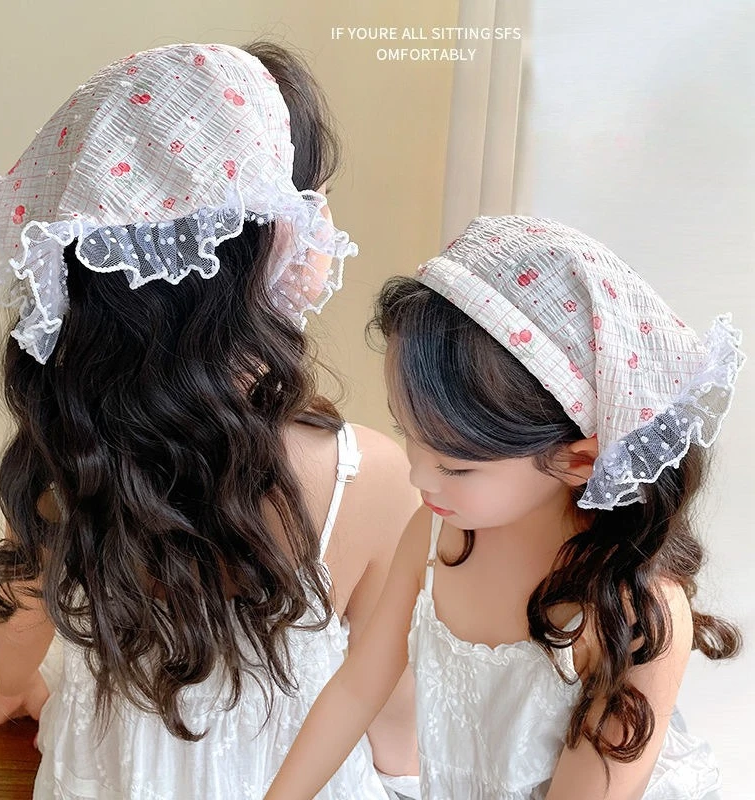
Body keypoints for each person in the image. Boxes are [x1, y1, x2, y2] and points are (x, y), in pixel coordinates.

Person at [0, 42, 420, 799]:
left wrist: (19, 691)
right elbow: (391, 708)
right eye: (312, 200)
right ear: (272, 237)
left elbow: (20, 616)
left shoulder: (71, 451)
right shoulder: (367, 477)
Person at [265, 215, 745, 800]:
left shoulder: (633, 613)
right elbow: (357, 689)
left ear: (580, 461)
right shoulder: (434, 535)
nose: (417, 476)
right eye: (406, 433)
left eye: (456, 466)